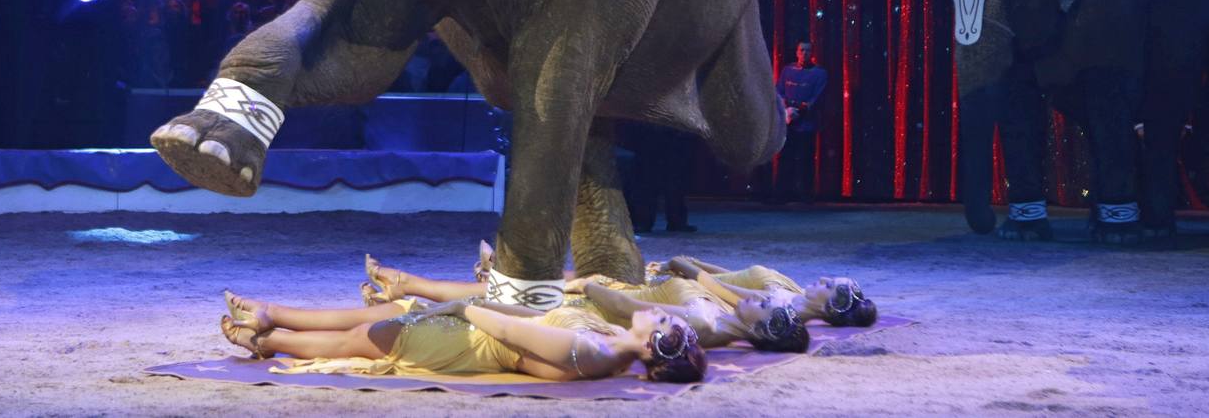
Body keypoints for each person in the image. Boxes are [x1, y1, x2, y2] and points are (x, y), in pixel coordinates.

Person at [219, 288, 706, 383]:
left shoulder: (589, 349)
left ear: (652, 346)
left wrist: (463, 306)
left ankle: (267, 340)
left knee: (366, 336)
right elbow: (532, 316)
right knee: (390, 313)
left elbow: (507, 329)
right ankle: (270, 315)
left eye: (661, 324)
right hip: (473, 330)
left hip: (465, 341)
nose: (653, 315)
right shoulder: (609, 342)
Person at [363, 251, 808, 353]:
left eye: (765, 308)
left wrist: (583, 286)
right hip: (628, 291)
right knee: (497, 293)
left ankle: (405, 287)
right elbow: (737, 290)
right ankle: (404, 286)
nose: (762, 299)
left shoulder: (708, 327)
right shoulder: (727, 316)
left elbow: (627, 309)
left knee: (498, 297)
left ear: (760, 328)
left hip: (606, 303)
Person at [657, 255, 878, 328]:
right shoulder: (797, 295)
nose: (822, 279)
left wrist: (683, 265)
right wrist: (697, 263)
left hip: (691, 283)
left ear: (828, 307)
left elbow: (719, 288)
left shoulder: (778, 305)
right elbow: (736, 277)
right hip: (701, 275)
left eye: (828, 286)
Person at [776, 41, 828, 202]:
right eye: (801, 50)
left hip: (807, 124)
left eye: (807, 50)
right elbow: (778, 92)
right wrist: (787, 110)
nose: (804, 53)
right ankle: (782, 194)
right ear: (797, 52)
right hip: (788, 122)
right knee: (786, 159)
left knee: (806, 159)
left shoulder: (819, 73)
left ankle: (806, 194)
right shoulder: (787, 70)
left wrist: (800, 109)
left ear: (812, 53)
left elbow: (817, 97)